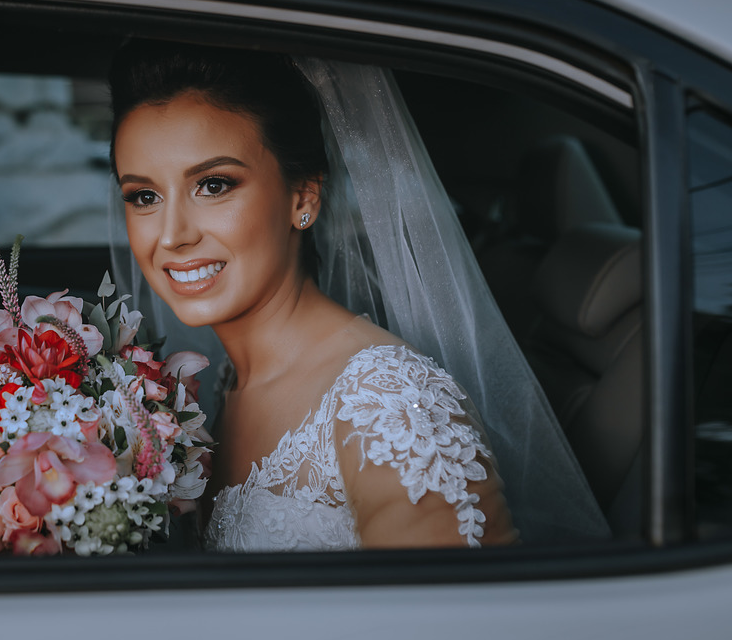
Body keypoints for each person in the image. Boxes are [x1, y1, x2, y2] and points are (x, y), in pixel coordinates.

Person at [107, 40, 610, 550]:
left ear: (303, 196)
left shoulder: (390, 406)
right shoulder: (225, 383)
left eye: (214, 185)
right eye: (144, 197)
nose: (171, 235)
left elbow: (459, 623)